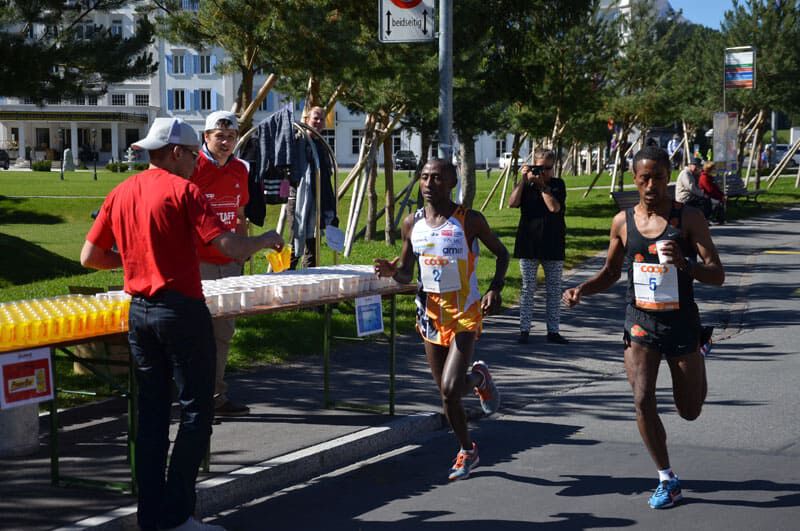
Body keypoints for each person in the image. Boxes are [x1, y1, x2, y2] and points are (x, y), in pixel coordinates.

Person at [80, 117, 283, 531]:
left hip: (140, 313)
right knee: (196, 412)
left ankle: (151, 515)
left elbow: (90, 256)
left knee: (152, 415)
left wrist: (135, 259)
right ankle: (177, 515)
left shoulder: (121, 191)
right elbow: (229, 245)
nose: (196, 163)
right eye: (193, 155)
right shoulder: (186, 191)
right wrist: (265, 240)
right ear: (176, 152)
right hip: (182, 311)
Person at [562, 146, 724, 509]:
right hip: (640, 322)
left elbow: (717, 274)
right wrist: (581, 289)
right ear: (634, 179)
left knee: (690, 410)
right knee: (641, 398)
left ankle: (699, 350)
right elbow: (611, 273)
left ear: (669, 178)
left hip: (681, 322)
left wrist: (685, 264)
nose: (651, 186)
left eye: (659, 178)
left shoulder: (689, 218)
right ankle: (667, 478)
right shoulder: (622, 222)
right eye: (644, 178)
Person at [373, 158, 509, 481]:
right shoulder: (412, 224)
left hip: (464, 313)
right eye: (424, 177)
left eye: (437, 178)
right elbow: (407, 272)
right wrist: (393, 272)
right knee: (448, 393)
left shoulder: (469, 220)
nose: (429, 184)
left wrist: (495, 288)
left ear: (451, 183)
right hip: (431, 315)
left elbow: (502, 254)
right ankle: (469, 441)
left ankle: (469, 429)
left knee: (450, 390)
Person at [191, 111, 252, 417]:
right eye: (220, 137)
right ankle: (192, 398)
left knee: (223, 333)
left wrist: (243, 250)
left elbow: (239, 215)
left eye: (231, 137)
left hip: (228, 264)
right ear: (206, 137)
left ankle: (216, 396)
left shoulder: (240, 169)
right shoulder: (193, 167)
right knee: (195, 332)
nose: (226, 142)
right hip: (197, 262)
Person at [508, 148, 568, 344]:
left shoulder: (557, 184)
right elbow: (512, 203)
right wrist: (523, 180)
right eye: (539, 168)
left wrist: (542, 186)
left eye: (547, 168)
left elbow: (554, 208)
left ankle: (553, 331)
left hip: (553, 243)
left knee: (553, 289)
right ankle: (524, 330)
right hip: (528, 243)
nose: (543, 172)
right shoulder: (526, 185)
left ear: (553, 167)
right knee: (527, 288)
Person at [287, 105, 337, 269]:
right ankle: (281, 276)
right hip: (299, 199)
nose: (318, 122)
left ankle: (309, 278)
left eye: (322, 119)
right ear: (307, 119)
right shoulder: (298, 140)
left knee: (313, 244)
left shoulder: (321, 144)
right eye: (315, 118)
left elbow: (326, 175)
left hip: (318, 199)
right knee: (295, 241)